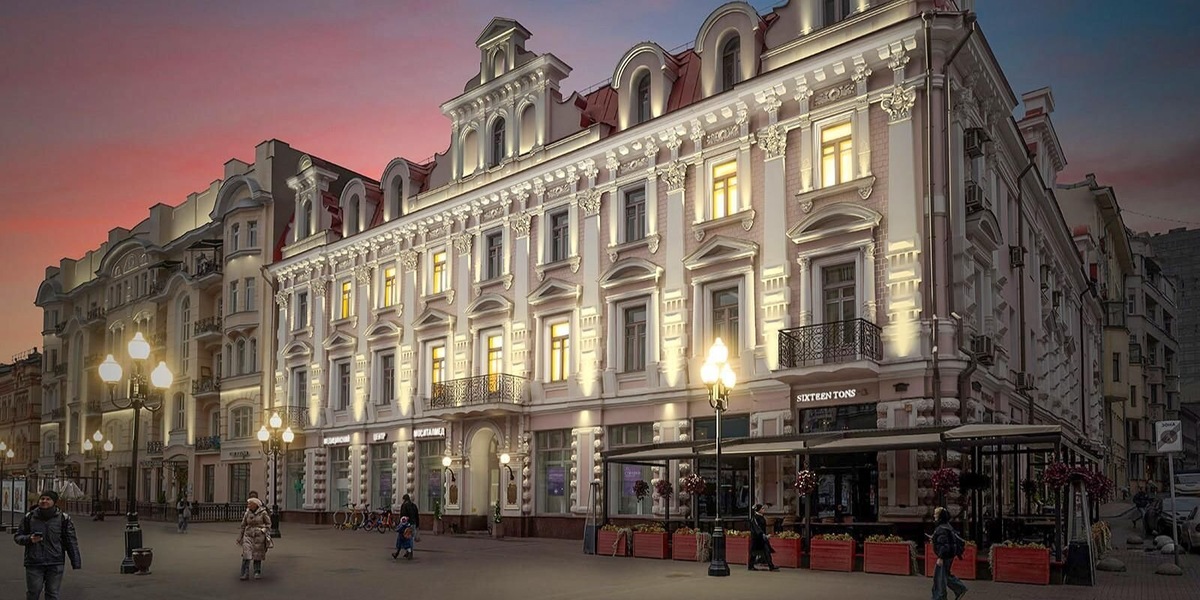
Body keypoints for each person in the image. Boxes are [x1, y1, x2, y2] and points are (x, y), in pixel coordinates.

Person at [14, 490, 81, 600]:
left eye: (48, 499)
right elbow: (18, 536)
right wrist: (29, 539)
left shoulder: (63, 518)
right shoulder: (30, 517)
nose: (44, 501)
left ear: (54, 502)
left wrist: (76, 561)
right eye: (42, 498)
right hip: (34, 562)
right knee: (34, 592)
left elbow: (71, 541)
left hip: (55, 562)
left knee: (52, 593)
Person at [931, 506, 968, 600]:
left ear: (940, 516)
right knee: (945, 575)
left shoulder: (941, 528)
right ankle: (960, 589)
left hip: (945, 556)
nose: (934, 515)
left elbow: (945, 545)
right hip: (949, 555)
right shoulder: (947, 526)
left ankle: (940, 597)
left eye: (935, 514)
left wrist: (940, 557)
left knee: (939, 578)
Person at [236, 497, 272, 580]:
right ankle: (245, 573)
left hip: (259, 536)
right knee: (246, 554)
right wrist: (240, 537)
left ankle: (257, 572)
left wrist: (263, 530)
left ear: (255, 504)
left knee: (257, 554)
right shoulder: (247, 513)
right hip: (248, 535)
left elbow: (268, 524)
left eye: (250, 503)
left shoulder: (263, 513)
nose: (248, 505)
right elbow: (243, 525)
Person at [747, 503, 779, 571]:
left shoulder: (762, 517)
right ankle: (750, 566)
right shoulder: (754, 518)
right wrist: (763, 535)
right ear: (758, 510)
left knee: (767, 551)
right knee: (754, 552)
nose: (763, 509)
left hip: (762, 538)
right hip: (756, 538)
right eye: (762, 508)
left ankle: (771, 566)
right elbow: (757, 528)